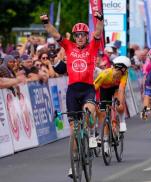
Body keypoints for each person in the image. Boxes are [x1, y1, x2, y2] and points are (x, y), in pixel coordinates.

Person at [40, 11, 104, 178]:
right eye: (77, 35)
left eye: (83, 35)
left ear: (86, 36)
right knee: (74, 130)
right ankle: (74, 163)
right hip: (72, 91)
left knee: (89, 111)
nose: (80, 37)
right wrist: (46, 23)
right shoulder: (69, 46)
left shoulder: (93, 46)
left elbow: (98, 31)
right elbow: (55, 34)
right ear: (74, 37)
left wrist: (100, 18)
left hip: (88, 88)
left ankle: (91, 135)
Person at [94, 56, 131, 154]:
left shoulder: (125, 74)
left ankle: (122, 122)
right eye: (115, 75)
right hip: (104, 89)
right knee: (104, 114)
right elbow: (93, 89)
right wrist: (93, 102)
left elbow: (121, 90)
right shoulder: (104, 74)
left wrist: (120, 102)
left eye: (118, 75)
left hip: (116, 89)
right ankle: (105, 142)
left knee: (119, 105)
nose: (117, 77)